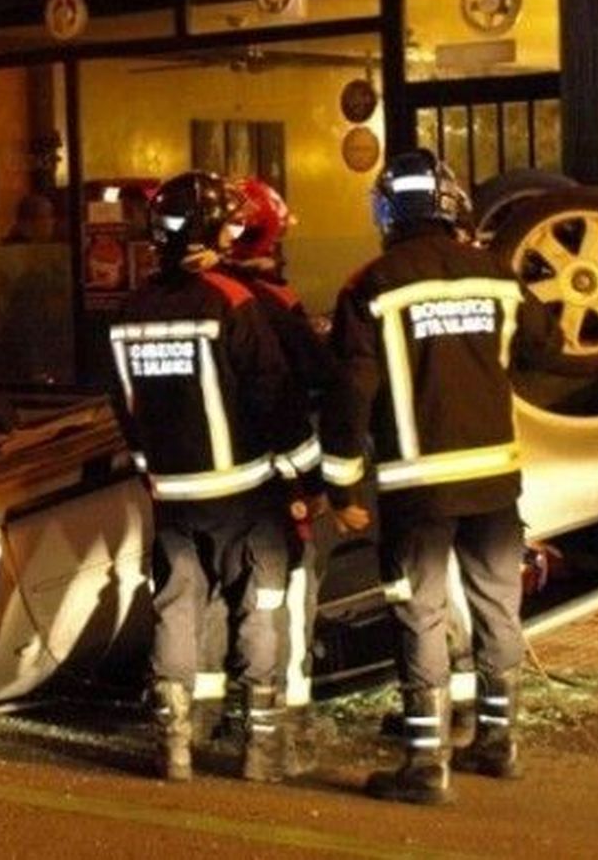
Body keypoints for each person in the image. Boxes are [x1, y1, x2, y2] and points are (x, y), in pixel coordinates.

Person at [319, 150, 560, 805]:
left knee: (420, 613)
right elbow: (549, 344)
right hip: (495, 483)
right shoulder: (496, 274)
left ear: (387, 213)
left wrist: (342, 488)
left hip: (417, 488)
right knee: (497, 606)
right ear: (452, 204)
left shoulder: (371, 285)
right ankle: (498, 741)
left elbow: (349, 393)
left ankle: (426, 763)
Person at [108, 170, 313, 784]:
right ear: (211, 230)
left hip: (173, 494)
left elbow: (125, 405)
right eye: (227, 225)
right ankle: (261, 750)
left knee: (176, 609)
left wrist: (151, 469)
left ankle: (174, 746)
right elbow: (272, 393)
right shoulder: (231, 298)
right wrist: (306, 478)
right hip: (244, 493)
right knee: (260, 608)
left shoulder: (130, 310)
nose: (232, 234)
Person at [215, 176, 336, 774]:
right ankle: (285, 725)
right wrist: (313, 482)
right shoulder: (269, 301)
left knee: (213, 594)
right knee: (285, 591)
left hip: (209, 477)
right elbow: (309, 379)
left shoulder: (202, 294)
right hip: (273, 477)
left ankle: (212, 715)